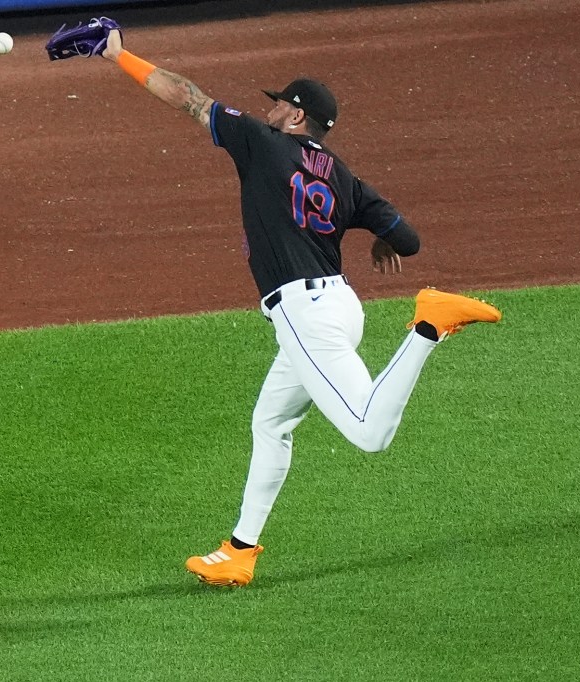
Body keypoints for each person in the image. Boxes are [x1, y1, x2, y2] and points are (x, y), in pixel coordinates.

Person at [94, 28, 501, 587]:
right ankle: (240, 549)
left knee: (369, 433)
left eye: (280, 103)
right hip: (334, 306)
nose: (273, 108)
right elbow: (407, 239)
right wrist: (380, 238)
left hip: (306, 314)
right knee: (271, 421)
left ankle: (429, 325)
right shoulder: (345, 177)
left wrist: (119, 56)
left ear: (295, 118)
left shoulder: (262, 144)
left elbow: (185, 95)